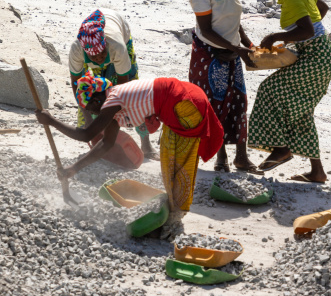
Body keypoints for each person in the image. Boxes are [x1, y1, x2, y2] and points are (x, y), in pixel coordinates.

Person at [35, 74, 224, 217]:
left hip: (184, 102)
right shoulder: (114, 105)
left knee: (179, 164)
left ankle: (176, 216)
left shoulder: (112, 99)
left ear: (97, 98)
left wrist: (51, 120)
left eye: (92, 108)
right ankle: (174, 210)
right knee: (170, 160)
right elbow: (105, 144)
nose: (93, 113)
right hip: (181, 101)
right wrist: (73, 169)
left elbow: (86, 135)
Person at [248, 0, 331, 182]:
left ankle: (280, 149)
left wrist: (276, 37)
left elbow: (307, 29)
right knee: (302, 110)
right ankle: (317, 172)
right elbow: (323, 8)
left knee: (270, 90)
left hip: (316, 58)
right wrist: (297, 36)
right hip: (322, 55)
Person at [189, 0, 260, 174]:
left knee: (239, 103)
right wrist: (237, 49)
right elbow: (206, 30)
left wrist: (247, 43)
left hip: (232, 51)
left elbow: (235, 20)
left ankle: (241, 157)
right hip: (209, 54)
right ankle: (221, 159)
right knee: (215, 106)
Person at [68, 8, 156, 159]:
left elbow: (123, 89)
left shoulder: (117, 47)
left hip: (120, 29)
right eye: (94, 57)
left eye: (102, 53)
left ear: (105, 45)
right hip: (93, 46)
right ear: (86, 52)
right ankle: (98, 139)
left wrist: (110, 119)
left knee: (135, 96)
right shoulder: (77, 51)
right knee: (92, 92)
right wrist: (89, 119)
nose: (100, 59)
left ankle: (146, 143)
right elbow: (78, 87)